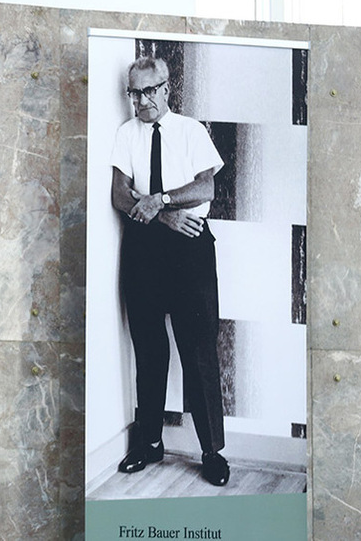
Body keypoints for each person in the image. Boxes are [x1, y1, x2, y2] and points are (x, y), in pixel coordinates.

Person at [110, 56, 230, 487]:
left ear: (166, 88)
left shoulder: (190, 130)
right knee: (149, 348)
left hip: (190, 248)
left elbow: (206, 187)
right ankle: (149, 443)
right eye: (133, 93)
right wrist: (161, 216)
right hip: (144, 247)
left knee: (198, 352)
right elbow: (120, 195)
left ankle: (212, 452)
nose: (140, 101)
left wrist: (160, 200)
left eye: (147, 91)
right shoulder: (126, 135)